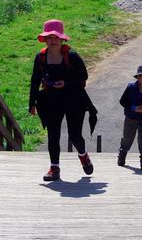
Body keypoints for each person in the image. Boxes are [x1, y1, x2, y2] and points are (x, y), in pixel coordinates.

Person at [29, 19, 94, 181]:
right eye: (49, 37)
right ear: (44, 39)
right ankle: (54, 168)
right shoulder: (41, 57)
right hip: (51, 100)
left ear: (62, 39)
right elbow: (35, 80)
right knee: (53, 134)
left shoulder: (72, 56)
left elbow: (83, 77)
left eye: (56, 37)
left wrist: (66, 83)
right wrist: (32, 103)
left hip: (74, 99)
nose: (52, 41)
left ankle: (83, 155)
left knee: (74, 136)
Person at [117, 65, 142, 170]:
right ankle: (122, 155)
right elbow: (123, 101)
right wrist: (133, 108)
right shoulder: (131, 88)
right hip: (131, 118)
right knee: (128, 138)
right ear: (138, 77)